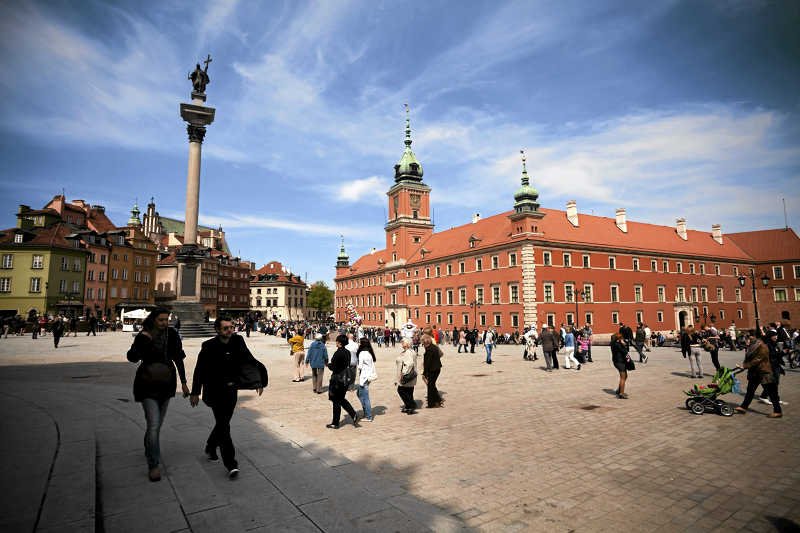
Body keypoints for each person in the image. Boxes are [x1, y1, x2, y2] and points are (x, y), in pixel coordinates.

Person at [190, 316, 264, 478]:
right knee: (224, 426)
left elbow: (248, 361)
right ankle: (231, 463)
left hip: (231, 390)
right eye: (226, 328)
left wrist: (257, 381)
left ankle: (210, 446)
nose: (230, 330)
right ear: (217, 330)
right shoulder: (208, 346)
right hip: (214, 390)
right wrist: (195, 392)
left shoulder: (238, 341)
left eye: (231, 327)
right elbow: (199, 369)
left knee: (223, 422)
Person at [127, 307, 190, 482]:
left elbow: (178, 359)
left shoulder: (173, 335)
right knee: (154, 424)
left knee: (156, 425)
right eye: (161, 320)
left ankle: (149, 446)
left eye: (166, 319)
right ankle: (153, 464)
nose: (165, 323)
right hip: (146, 384)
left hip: (167, 384)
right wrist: (142, 342)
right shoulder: (144, 335)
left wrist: (184, 383)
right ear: (154, 319)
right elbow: (132, 357)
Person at [735, 331, 782, 418]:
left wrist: (745, 366)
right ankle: (743, 407)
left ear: (755, 336)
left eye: (750, 336)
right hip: (755, 372)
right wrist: (743, 365)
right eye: (747, 336)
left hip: (764, 372)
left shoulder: (762, 346)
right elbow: (749, 358)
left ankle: (778, 411)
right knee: (750, 391)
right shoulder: (752, 345)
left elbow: (758, 359)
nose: (748, 338)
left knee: (772, 392)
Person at [326, 334, 360, 429]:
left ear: (339, 342)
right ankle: (353, 414)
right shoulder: (348, 352)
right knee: (341, 399)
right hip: (345, 379)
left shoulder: (338, 353)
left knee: (336, 401)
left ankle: (335, 423)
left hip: (337, 379)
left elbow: (334, 367)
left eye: (337, 341)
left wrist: (328, 365)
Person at [356, 338, 377, 421]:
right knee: (359, 393)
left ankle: (368, 416)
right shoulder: (369, 352)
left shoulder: (362, 353)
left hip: (364, 377)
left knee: (365, 397)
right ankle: (366, 412)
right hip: (368, 376)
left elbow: (360, 366)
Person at [395, 338, 418, 414]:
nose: (402, 343)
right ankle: (409, 406)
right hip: (412, 375)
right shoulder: (410, 351)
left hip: (407, 375)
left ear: (408, 344)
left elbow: (409, 364)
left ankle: (410, 405)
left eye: (403, 342)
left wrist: (404, 374)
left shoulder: (408, 352)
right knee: (409, 391)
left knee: (401, 390)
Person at [421, 334, 443, 408]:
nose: (422, 345)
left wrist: (424, 373)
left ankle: (432, 404)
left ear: (425, 342)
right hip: (437, 368)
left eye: (423, 343)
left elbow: (428, 363)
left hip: (432, 369)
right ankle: (438, 400)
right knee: (432, 385)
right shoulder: (434, 347)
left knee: (430, 386)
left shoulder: (429, 350)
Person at [610, 332, 630, 399]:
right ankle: (621, 393)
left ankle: (619, 390)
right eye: (621, 338)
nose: (623, 339)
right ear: (619, 338)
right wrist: (624, 344)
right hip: (620, 362)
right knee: (623, 377)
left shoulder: (613, 344)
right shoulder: (618, 345)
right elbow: (625, 351)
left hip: (617, 361)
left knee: (625, 376)